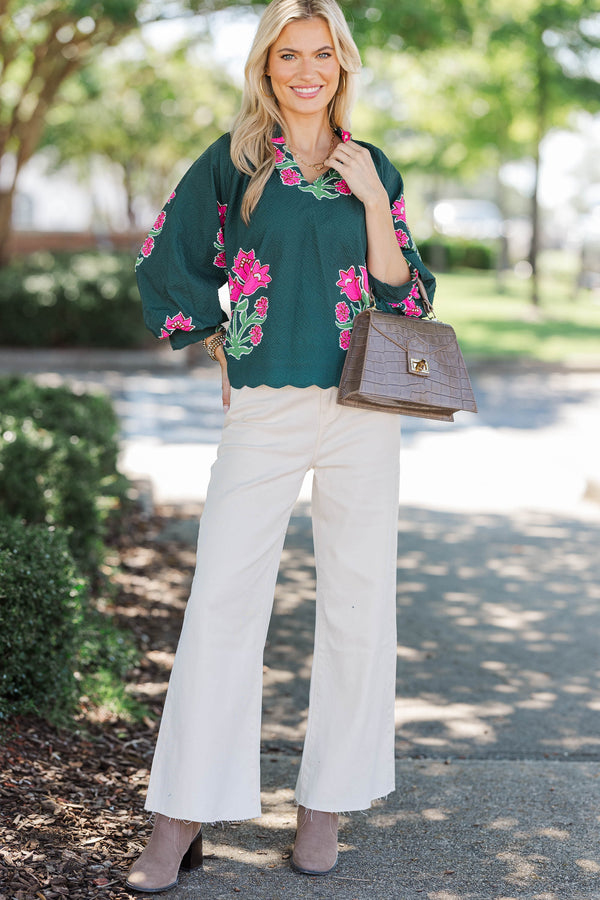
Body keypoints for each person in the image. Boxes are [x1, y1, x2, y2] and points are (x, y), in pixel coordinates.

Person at [126, 0, 436, 892]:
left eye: (323, 54)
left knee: (357, 604)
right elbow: (168, 260)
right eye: (289, 55)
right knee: (222, 602)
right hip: (265, 407)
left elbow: (404, 296)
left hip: (362, 407)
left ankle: (323, 806)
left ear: (343, 63)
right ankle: (178, 817)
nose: (308, 70)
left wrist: (375, 200)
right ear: (266, 67)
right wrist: (218, 339)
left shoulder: (371, 165)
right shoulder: (234, 163)